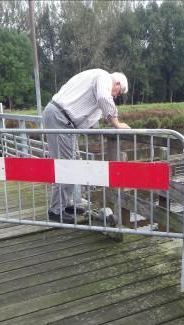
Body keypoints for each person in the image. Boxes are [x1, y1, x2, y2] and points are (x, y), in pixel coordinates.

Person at [43, 69, 130, 224]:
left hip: (65, 121)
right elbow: (105, 98)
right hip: (61, 119)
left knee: (73, 162)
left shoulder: (96, 78)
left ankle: (66, 204)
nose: (116, 96)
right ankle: (56, 211)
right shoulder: (104, 77)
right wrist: (117, 123)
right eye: (118, 92)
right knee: (66, 165)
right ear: (116, 83)